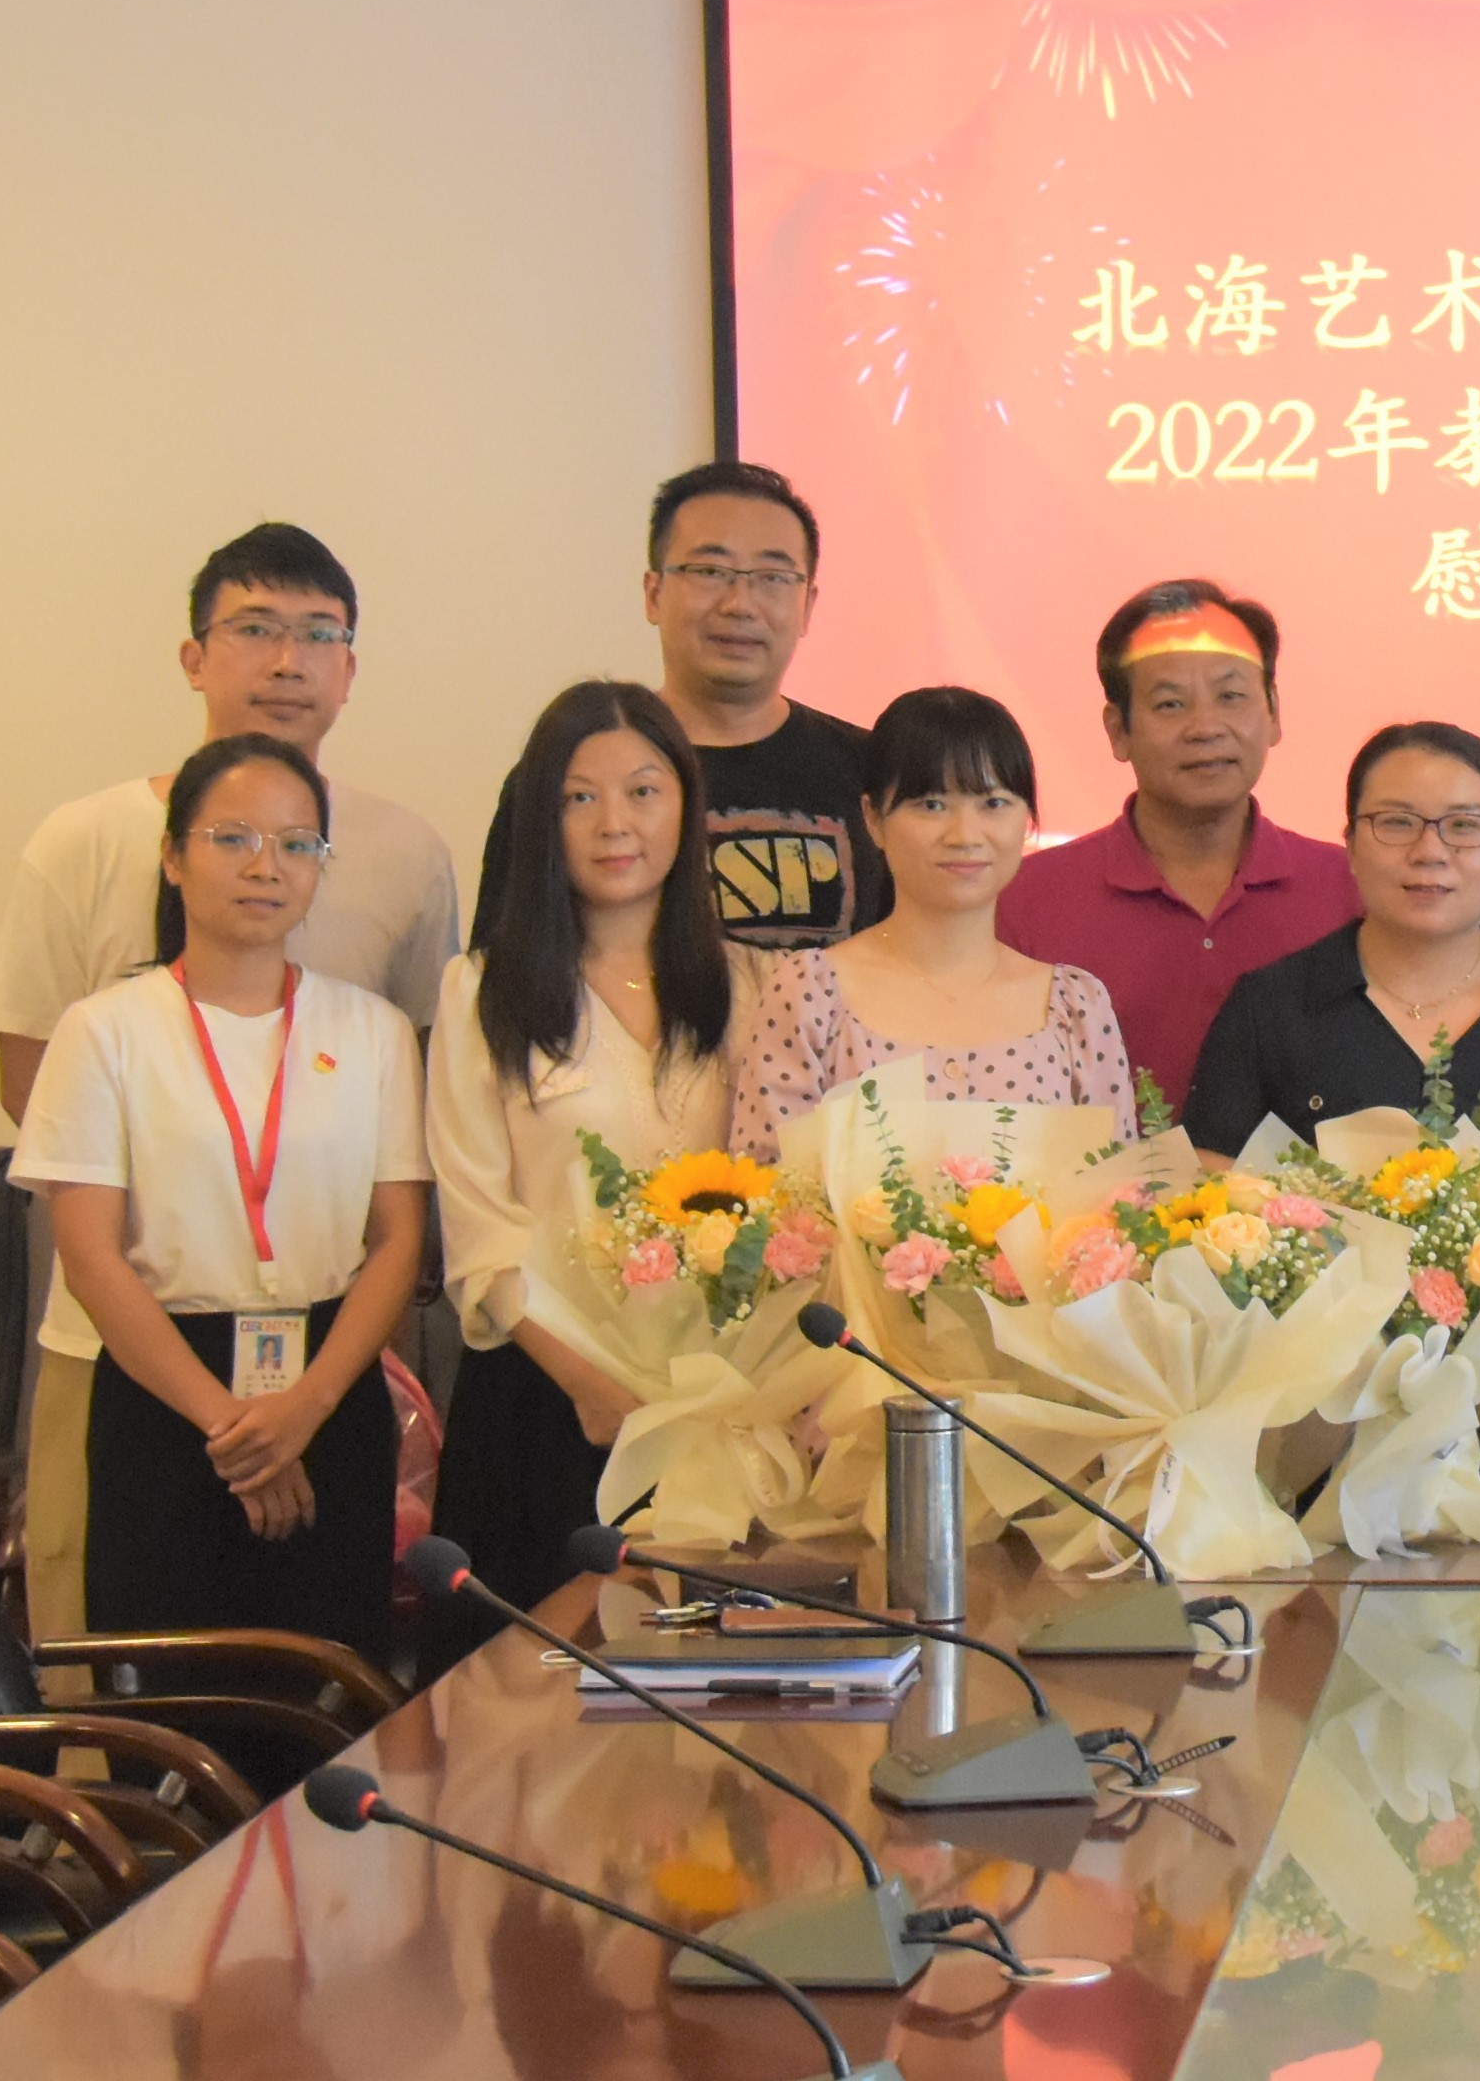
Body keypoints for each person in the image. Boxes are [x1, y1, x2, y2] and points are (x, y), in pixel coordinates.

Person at [0, 520, 458, 1636]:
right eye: (255, 629)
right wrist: (227, 1420)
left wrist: (302, 1406)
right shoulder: (86, 869)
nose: (287, 661)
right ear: (194, 655)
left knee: (328, 1662)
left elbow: (399, 1214)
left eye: (316, 634)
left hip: (327, 1363)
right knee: (124, 1650)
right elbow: (38, 1111)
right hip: (136, 1352)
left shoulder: (399, 879)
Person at [10, 733, 430, 1663]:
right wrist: (229, 1427)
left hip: (330, 1388)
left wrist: (305, 1410)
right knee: (170, 1686)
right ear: (172, 856)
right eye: (231, 838)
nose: (264, 866)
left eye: (295, 844)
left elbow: (398, 1240)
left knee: (332, 1683)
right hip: (165, 1393)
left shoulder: (374, 1031)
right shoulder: (103, 1031)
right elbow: (89, 1254)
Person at [425, 681, 746, 1667]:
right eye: (579, 797)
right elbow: (478, 1223)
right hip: (546, 1402)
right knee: (522, 1705)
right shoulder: (481, 991)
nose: (615, 823)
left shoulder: (752, 983)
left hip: (711, 1401)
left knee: (705, 1698)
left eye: (643, 791)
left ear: (684, 807)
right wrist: (591, 1385)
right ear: (541, 818)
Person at [997, 580, 1355, 1113]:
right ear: (1118, 730)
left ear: (1274, 712)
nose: (1205, 727)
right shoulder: (1026, 901)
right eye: (1170, 704)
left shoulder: (1351, 889)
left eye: (1231, 696)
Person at [734, 688, 1140, 1157]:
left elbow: (1117, 1189)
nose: (964, 835)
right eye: (931, 804)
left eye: (993, 803)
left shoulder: (1076, 1008)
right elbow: (763, 1183)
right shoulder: (813, 995)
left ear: (1027, 819)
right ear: (872, 819)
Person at [1189, 725, 1480, 1156]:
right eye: (1397, 822)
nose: (1430, 852)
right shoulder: (1268, 1010)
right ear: (1350, 847)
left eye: (1464, 825)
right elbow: (1210, 1179)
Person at [641, 460, 887, 951]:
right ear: (654, 594)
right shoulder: (583, 775)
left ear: (807, 606)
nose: (740, 604)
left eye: (773, 577)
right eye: (710, 571)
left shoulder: (876, 772)